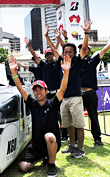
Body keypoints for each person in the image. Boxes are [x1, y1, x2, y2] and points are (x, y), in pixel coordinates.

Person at [8, 54, 71, 177]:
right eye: (35, 90)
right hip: (37, 144)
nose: (38, 92)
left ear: (46, 91)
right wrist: (13, 72)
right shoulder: (32, 103)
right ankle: (44, 157)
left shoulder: (53, 103)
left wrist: (66, 72)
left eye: (41, 89)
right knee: (23, 167)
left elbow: (62, 89)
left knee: (49, 137)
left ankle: (51, 165)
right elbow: (20, 88)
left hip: (52, 141)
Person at [45, 20, 92, 158]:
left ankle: (80, 149)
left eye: (70, 52)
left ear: (74, 53)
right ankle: (72, 145)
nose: (67, 54)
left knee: (79, 125)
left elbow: (83, 47)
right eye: (65, 52)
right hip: (63, 98)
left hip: (75, 97)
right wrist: (47, 36)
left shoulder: (78, 61)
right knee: (68, 124)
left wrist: (86, 32)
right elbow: (54, 49)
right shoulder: (61, 61)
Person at [79, 28, 110, 146]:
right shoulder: (76, 62)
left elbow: (105, 48)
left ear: (89, 50)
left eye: (85, 48)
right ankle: (76, 140)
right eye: (81, 48)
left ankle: (97, 139)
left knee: (94, 118)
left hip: (91, 94)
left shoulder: (93, 60)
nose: (83, 50)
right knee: (77, 119)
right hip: (79, 95)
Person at [25, 35, 68, 142]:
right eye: (47, 55)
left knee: (62, 114)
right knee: (51, 115)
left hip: (58, 93)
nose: (49, 56)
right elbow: (34, 55)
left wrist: (63, 39)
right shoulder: (43, 65)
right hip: (48, 94)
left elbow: (61, 50)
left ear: (53, 55)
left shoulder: (58, 64)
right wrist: (29, 45)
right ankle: (51, 133)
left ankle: (65, 135)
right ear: (45, 56)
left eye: (51, 54)